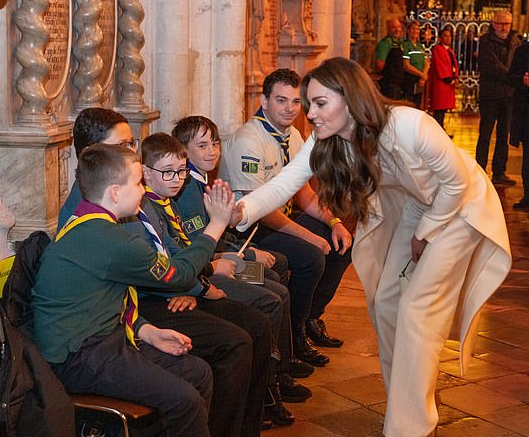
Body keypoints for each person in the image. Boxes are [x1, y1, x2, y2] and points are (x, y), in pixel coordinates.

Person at [235, 57, 512, 437]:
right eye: (308, 103)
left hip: (458, 209)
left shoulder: (410, 125)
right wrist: (240, 210)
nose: (310, 113)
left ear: (349, 98)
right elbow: (285, 183)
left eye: (318, 103)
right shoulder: (325, 137)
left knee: (418, 309)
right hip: (415, 207)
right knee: (384, 301)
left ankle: (409, 427)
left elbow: (457, 184)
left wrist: (425, 233)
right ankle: (407, 399)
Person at [59, 107, 273, 437]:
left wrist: (191, 285)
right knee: (237, 340)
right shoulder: (100, 211)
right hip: (128, 317)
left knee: (258, 313)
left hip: (138, 309)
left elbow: (168, 249)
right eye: (125, 145)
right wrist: (195, 284)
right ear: (96, 155)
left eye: (133, 142)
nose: (134, 151)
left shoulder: (124, 197)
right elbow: (165, 271)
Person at [32, 144, 231, 437]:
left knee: (198, 373)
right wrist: (217, 224)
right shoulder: (110, 239)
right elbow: (181, 275)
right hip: (78, 357)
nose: (143, 189)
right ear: (114, 192)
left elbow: (102, 299)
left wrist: (146, 331)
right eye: (137, 182)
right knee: (185, 401)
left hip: (102, 340)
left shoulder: (89, 221)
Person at [140, 132, 310, 427]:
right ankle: (271, 385)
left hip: (210, 266)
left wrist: (242, 253)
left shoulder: (192, 187)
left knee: (275, 276)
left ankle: (280, 369)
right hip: (208, 271)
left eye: (214, 144)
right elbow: (182, 252)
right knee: (268, 298)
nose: (211, 153)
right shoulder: (170, 198)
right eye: (201, 146)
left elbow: (195, 243)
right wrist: (215, 272)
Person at [219, 69, 353, 368]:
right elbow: (260, 210)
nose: (290, 109)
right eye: (281, 100)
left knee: (342, 243)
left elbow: (303, 193)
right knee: (311, 257)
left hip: (281, 218)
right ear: (264, 101)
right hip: (251, 230)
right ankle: (292, 338)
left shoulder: (291, 134)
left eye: (295, 101)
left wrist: (335, 224)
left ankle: (309, 319)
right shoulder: (249, 140)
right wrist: (310, 237)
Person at [58, 107, 138, 230]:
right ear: (90, 155)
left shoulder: (130, 186)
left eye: (132, 143)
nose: (133, 152)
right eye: (122, 145)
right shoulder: (83, 210)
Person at [476, 11, 521, 185]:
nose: (505, 27)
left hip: (509, 95)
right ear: (494, 23)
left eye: (507, 24)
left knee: (504, 135)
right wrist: (513, 77)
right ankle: (480, 171)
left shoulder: (515, 40)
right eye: (501, 23)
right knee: (485, 134)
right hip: (490, 95)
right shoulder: (486, 42)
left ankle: (499, 172)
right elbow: (492, 66)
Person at [509, 13, 529, 210]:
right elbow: (511, 75)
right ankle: (528, 196)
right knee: (528, 154)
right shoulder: (523, 51)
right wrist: (524, 80)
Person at [428, 28, 459, 135]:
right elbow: (439, 64)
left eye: (449, 36)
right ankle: (438, 130)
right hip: (441, 83)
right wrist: (447, 78)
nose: (448, 38)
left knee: (443, 109)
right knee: (439, 108)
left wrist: (455, 77)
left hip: (448, 84)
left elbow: (453, 65)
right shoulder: (437, 49)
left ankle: (441, 129)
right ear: (440, 38)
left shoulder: (449, 50)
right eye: (445, 36)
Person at [375, 17, 405, 99]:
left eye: (398, 27)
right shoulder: (385, 43)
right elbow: (379, 64)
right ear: (388, 28)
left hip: (399, 84)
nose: (397, 29)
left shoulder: (400, 43)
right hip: (389, 85)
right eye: (394, 27)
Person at [402, 21, 430, 107]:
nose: (415, 31)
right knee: (409, 104)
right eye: (413, 29)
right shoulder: (405, 45)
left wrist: (423, 76)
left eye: (417, 29)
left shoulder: (420, 46)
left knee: (418, 104)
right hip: (409, 79)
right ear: (408, 31)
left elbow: (427, 62)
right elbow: (406, 65)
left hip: (420, 80)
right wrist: (422, 75)